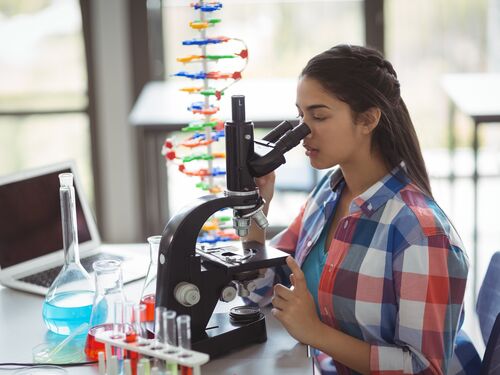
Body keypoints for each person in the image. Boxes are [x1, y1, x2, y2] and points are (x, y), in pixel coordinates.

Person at [243, 44, 481, 374]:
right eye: (300, 115)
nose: (302, 132)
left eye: (319, 116)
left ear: (368, 120)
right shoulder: (329, 191)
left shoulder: (420, 233)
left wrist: (316, 333)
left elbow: (425, 369)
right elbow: (264, 290)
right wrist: (258, 207)